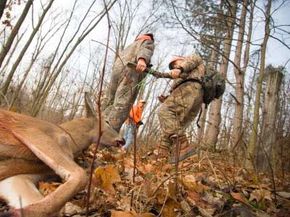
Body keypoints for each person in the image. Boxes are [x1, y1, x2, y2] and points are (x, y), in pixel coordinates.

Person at [157, 54, 205, 163]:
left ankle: (183, 146)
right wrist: (167, 98)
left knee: (163, 111)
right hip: (196, 96)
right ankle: (161, 155)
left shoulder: (191, 60)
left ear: (182, 59)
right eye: (173, 66)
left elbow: (192, 60)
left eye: (175, 63)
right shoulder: (183, 75)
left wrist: (180, 68)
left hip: (190, 88)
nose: (174, 66)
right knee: (173, 125)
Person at [103, 33, 155, 133]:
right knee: (122, 104)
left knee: (108, 101)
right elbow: (146, 49)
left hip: (116, 72)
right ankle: (109, 136)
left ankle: (98, 130)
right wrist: (142, 60)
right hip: (130, 73)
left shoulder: (128, 47)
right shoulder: (147, 42)